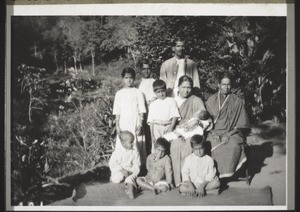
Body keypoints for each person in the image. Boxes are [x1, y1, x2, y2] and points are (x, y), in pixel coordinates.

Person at [205, 74, 250, 183]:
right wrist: (213, 132)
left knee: (233, 145)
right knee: (211, 144)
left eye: (228, 84)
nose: (226, 87)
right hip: (214, 131)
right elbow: (206, 121)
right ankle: (215, 174)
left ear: (231, 86)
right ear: (218, 85)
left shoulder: (237, 101)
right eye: (223, 84)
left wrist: (228, 135)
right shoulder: (211, 100)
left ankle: (228, 174)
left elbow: (241, 123)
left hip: (232, 132)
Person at [170, 75, 211, 187]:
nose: (186, 90)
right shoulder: (173, 100)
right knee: (175, 145)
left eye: (188, 87)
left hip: (192, 131)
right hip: (178, 130)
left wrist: (197, 122)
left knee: (188, 145)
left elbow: (206, 119)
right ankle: (178, 181)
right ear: (178, 87)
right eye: (183, 87)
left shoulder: (196, 100)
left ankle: (189, 180)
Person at [113, 67, 147, 164]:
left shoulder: (138, 92)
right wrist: (117, 125)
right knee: (124, 142)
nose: (129, 80)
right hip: (124, 122)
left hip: (135, 122)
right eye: (126, 77)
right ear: (123, 78)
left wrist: (140, 124)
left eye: (131, 77)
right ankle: (122, 165)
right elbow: (117, 111)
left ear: (134, 78)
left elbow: (142, 109)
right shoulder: (119, 94)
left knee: (136, 143)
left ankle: (138, 167)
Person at [147, 79, 180, 153]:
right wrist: (152, 135)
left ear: (165, 90)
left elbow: (175, 116)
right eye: (158, 92)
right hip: (157, 128)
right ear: (155, 92)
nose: (161, 94)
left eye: (163, 91)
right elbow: (151, 121)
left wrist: (171, 128)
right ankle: (156, 163)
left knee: (168, 146)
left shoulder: (171, 101)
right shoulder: (153, 104)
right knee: (157, 147)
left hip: (168, 126)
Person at [109, 131, 141, 199]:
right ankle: (117, 178)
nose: (133, 144)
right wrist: (122, 170)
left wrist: (132, 171)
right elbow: (112, 163)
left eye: (133, 141)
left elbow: (137, 163)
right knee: (117, 179)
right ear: (123, 143)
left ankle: (130, 190)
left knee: (131, 177)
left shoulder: (135, 152)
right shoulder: (117, 152)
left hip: (130, 170)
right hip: (120, 170)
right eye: (131, 142)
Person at [137, 59, 156, 155]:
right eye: (144, 69)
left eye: (148, 68)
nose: (146, 71)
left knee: (152, 134)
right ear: (141, 70)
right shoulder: (138, 84)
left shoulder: (155, 82)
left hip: (154, 111)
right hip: (143, 112)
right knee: (144, 135)